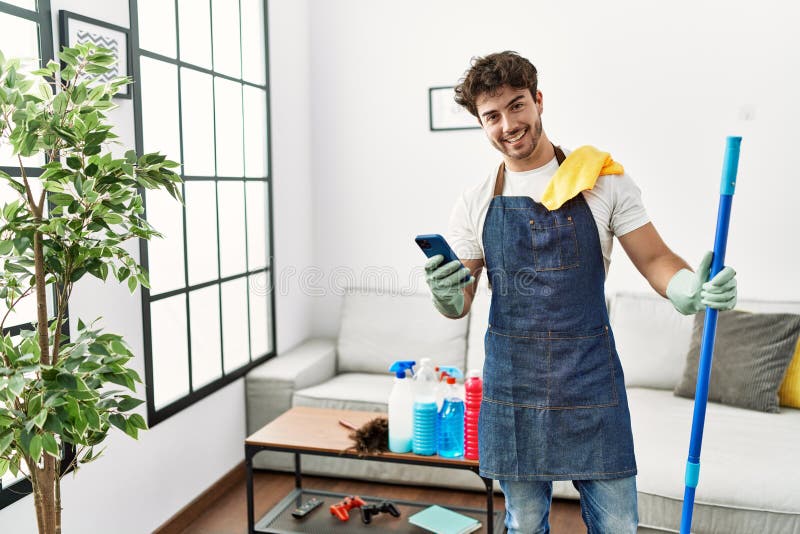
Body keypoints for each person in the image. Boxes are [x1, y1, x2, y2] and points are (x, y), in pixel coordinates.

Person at [423, 51, 737, 534]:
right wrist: (445, 294)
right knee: (523, 523)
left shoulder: (601, 181)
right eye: (492, 115)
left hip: (590, 379)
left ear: (538, 100)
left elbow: (655, 259)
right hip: (513, 385)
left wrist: (689, 289)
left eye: (517, 105)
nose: (509, 124)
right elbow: (460, 298)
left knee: (618, 525)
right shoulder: (476, 202)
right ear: (481, 123)